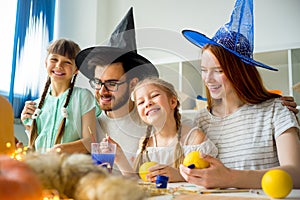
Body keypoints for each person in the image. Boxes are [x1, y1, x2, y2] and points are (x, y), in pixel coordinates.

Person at [179, 0, 300, 189]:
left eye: (218, 71)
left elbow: (296, 174)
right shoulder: (202, 119)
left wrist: (230, 178)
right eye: (204, 70)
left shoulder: (277, 109)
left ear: (240, 71)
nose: (208, 79)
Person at [75, 8, 159, 170]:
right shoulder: (89, 124)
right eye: (98, 82)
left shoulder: (150, 124)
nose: (102, 91)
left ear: (133, 83)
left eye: (112, 83)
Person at [106, 77, 218, 182]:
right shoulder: (145, 143)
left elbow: (213, 177)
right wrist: (119, 157)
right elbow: (135, 181)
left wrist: (179, 176)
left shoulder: (194, 138)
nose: (147, 103)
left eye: (154, 95)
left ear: (172, 102)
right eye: (141, 102)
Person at [20, 38, 98, 153]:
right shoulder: (36, 105)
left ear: (76, 69)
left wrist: (60, 149)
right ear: (46, 63)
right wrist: (26, 124)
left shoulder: (83, 97)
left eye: (67, 62)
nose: (59, 65)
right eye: (54, 59)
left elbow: (90, 142)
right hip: (41, 167)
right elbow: (35, 146)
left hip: (69, 168)